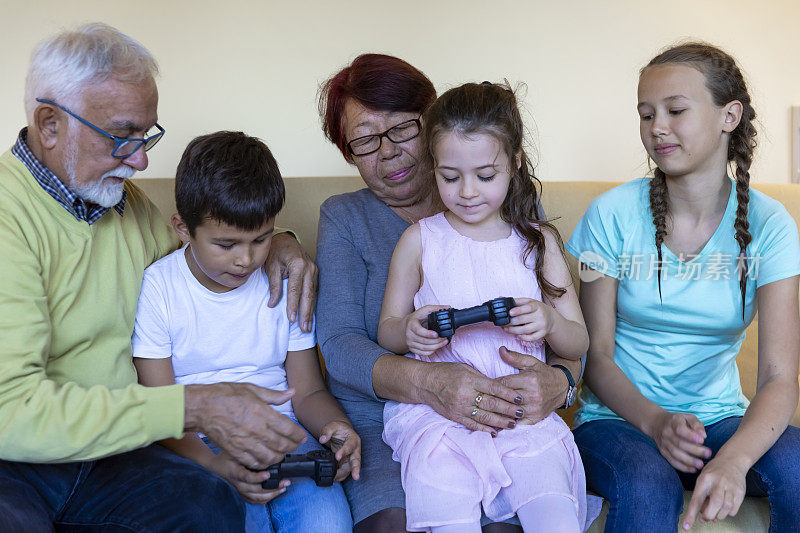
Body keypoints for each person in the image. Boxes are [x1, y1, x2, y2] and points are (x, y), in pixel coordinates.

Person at [0, 24, 317, 531]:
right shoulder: (8, 216)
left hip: (117, 453)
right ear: (50, 123)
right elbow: (10, 413)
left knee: (208, 507)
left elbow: (214, 254)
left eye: (146, 135)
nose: (142, 160)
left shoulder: (126, 205)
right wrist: (191, 407)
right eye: (121, 136)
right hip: (15, 463)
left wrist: (282, 241)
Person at [316, 53, 584, 533]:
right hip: (394, 427)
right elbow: (340, 346)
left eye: (402, 129)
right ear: (347, 152)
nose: (389, 151)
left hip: (512, 414)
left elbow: (565, 334)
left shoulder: (511, 206)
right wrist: (432, 384)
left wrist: (558, 383)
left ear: (432, 122)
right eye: (364, 140)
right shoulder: (346, 218)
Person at [567, 42, 800, 532]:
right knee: (648, 482)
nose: (657, 128)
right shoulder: (608, 215)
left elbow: (779, 377)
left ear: (728, 116)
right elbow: (596, 355)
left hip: (719, 421)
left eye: (675, 110)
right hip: (618, 423)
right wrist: (655, 423)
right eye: (646, 114)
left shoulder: (771, 225)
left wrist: (733, 459)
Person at [132, 130, 359, 533]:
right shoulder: (159, 288)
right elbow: (160, 406)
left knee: (330, 525)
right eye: (226, 244)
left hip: (288, 437)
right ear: (183, 227)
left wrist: (335, 427)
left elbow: (307, 390)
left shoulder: (284, 282)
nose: (246, 259)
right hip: (198, 446)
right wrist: (214, 463)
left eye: (260, 239)